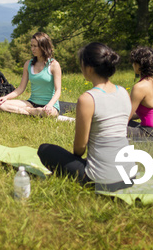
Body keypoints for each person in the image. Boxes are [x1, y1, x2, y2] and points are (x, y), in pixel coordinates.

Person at [37, 42, 133, 191]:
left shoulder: (88, 99)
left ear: (88, 68)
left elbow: (80, 148)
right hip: (129, 175)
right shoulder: (123, 92)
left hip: (102, 180)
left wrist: (77, 158)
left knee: (45, 150)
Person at [0, 32, 62, 117]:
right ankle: (31, 111)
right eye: (31, 46)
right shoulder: (28, 64)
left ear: (43, 47)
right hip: (31, 103)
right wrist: (6, 97)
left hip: (50, 106)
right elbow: (20, 89)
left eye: (35, 46)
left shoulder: (54, 65)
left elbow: (58, 91)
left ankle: (27, 111)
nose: (32, 49)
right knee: (1, 104)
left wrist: (49, 105)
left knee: (46, 113)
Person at [127, 46, 153, 137]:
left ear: (139, 65)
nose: (133, 65)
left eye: (134, 63)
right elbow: (140, 114)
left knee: (113, 128)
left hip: (150, 133)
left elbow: (127, 116)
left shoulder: (139, 87)